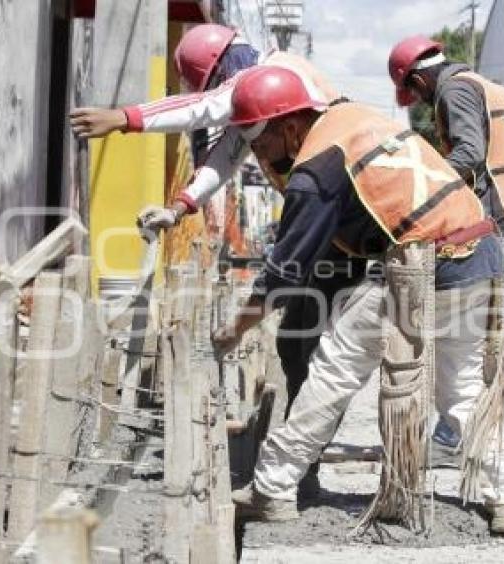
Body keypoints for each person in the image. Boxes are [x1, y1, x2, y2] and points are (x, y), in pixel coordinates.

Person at [211, 66, 504, 535]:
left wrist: (234, 328)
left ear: (291, 127)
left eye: (260, 141)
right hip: (478, 251)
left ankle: (272, 488)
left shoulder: (314, 170)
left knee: (334, 369)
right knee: (462, 388)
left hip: (422, 260)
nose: (257, 154)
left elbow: (283, 274)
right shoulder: (354, 118)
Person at [71, 24, 365, 497]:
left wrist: (124, 119)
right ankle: (298, 465)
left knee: (315, 346)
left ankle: (297, 468)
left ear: (217, 71)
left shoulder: (267, 75)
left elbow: (202, 108)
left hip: (335, 217)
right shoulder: (261, 99)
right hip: (331, 223)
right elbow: (224, 156)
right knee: (298, 344)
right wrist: (180, 206)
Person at [388, 36, 504, 451]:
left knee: (488, 330)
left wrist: (426, 191)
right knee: (494, 326)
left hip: (498, 219)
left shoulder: (454, 91)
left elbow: (470, 153)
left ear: (419, 78)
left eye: (414, 93)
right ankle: (456, 432)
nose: (418, 101)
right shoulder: (491, 87)